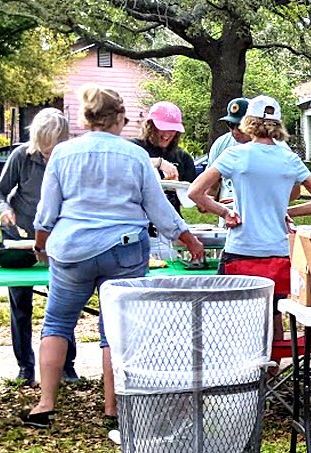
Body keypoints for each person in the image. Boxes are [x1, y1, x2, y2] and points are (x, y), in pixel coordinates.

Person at [22, 84, 205, 434]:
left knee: (58, 323)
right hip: (124, 250)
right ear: (120, 118)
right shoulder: (135, 156)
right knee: (115, 331)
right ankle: (113, 407)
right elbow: (158, 208)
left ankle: (45, 404)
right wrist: (188, 238)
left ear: (86, 118)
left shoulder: (63, 153)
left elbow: (47, 211)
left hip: (72, 250)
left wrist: (41, 243)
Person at [188, 95, 311, 334]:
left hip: (242, 249)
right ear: (277, 125)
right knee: (275, 313)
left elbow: (196, 192)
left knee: (233, 316)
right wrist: (285, 212)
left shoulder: (235, 155)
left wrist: (225, 212)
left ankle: (244, 366)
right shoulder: (290, 160)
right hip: (279, 251)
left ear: (248, 122)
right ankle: (273, 368)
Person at [0, 108, 76, 386]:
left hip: (56, 237)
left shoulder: (72, 158)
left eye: (54, 149)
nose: (48, 155)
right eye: (45, 149)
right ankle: (25, 367)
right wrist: (5, 210)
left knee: (62, 302)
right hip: (21, 234)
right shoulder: (22, 156)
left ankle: (67, 366)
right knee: (20, 303)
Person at [132, 101, 198, 211]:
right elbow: (124, 164)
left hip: (171, 221)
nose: (167, 135)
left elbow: (192, 198)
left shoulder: (183, 157)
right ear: (150, 126)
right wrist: (158, 163)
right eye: (162, 128)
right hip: (138, 220)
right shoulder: (134, 147)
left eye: (172, 129)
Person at [206, 97, 252, 201]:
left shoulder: (272, 146)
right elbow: (212, 187)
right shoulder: (221, 144)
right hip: (227, 214)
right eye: (230, 124)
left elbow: (288, 192)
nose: (235, 131)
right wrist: (207, 200)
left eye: (240, 125)